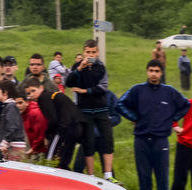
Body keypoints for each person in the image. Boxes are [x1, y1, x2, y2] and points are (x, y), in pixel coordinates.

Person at [115, 59, 191, 190]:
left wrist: (171, 119)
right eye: (151, 70)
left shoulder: (169, 91)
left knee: (162, 175)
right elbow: (120, 104)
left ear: (161, 73)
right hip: (141, 139)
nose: (153, 74)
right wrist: (134, 117)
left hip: (161, 140)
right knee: (144, 175)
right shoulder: (137, 90)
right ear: (147, 71)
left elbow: (186, 104)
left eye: (156, 71)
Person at [65, 39, 118, 182]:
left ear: (98, 52)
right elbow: (69, 82)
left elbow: (103, 87)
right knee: (88, 142)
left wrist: (84, 90)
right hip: (85, 110)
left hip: (101, 108)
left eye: (93, 52)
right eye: (88, 52)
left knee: (107, 139)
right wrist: (80, 69)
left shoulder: (101, 66)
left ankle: (108, 175)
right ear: (84, 52)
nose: (90, 55)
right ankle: (91, 175)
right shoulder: (77, 66)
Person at [24, 77, 82, 170]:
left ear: (41, 88)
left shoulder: (43, 98)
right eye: (28, 93)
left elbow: (53, 120)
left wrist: (47, 136)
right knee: (63, 161)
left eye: (33, 91)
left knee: (49, 159)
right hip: (76, 127)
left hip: (65, 128)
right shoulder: (51, 96)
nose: (31, 95)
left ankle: (50, 179)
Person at [73, 91, 122, 174]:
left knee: (108, 171)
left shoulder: (110, 96)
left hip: (103, 138)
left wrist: (104, 122)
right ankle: (84, 186)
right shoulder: (82, 95)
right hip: (87, 138)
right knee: (77, 168)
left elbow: (117, 117)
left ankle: (110, 186)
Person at [0, 81, 26, 161]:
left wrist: (5, 142)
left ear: (5, 93)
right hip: (10, 146)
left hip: (14, 147)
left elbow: (12, 125)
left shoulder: (11, 106)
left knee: (14, 171)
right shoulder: (7, 106)